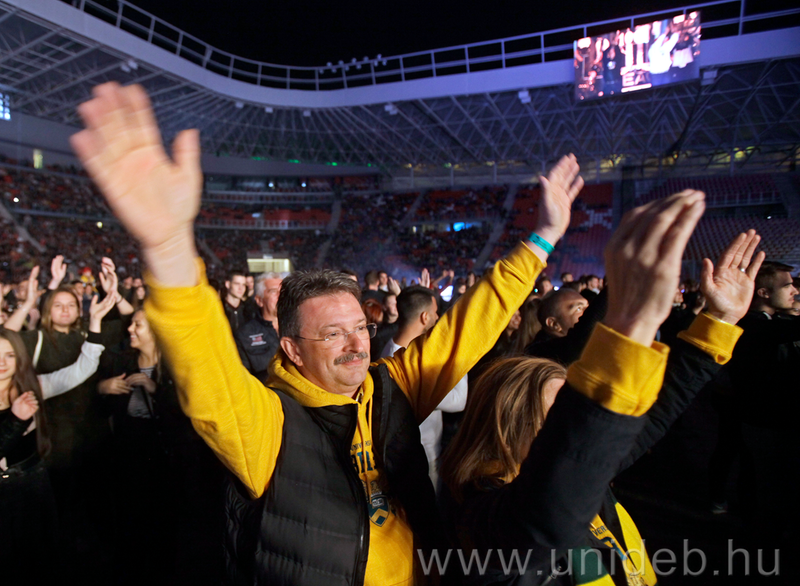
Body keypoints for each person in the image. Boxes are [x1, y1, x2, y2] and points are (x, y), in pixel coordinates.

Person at [70, 81, 583, 585]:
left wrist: (542, 238)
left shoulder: (393, 388)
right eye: (334, 334)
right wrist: (168, 247)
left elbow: (470, 325)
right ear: (291, 349)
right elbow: (207, 373)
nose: (359, 344)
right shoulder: (269, 425)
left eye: (360, 327)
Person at [440, 202, 760, 585]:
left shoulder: (580, 470)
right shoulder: (483, 515)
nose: (576, 423)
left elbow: (661, 407)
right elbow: (546, 519)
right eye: (562, 411)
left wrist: (719, 320)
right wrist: (630, 322)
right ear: (510, 423)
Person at [1, 289, 116, 584]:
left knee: (40, 553)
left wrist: (95, 322)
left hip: (34, 483)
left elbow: (81, 370)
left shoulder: (32, 387)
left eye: (10, 355)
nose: (3, 363)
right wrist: (15, 419)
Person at [381, 285, 467, 490]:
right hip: (420, 457)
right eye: (435, 312)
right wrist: (459, 354)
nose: (438, 317)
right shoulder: (404, 365)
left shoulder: (394, 349)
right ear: (424, 317)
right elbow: (458, 401)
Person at [235, 271, 283, 380]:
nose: (280, 296)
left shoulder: (300, 328)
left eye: (283, 291)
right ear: (259, 300)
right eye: (273, 292)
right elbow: (242, 378)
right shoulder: (244, 335)